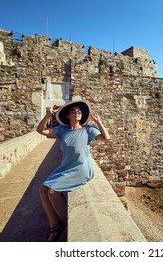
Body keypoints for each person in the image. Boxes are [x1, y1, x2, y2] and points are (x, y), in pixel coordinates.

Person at [36, 100, 110, 241]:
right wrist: (48, 115)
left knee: (52, 192)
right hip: (65, 168)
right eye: (74, 111)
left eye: (79, 111)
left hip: (81, 169)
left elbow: (106, 138)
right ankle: (54, 225)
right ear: (68, 115)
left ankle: (66, 221)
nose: (77, 112)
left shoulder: (88, 130)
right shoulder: (62, 131)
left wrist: (99, 122)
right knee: (42, 190)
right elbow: (40, 130)